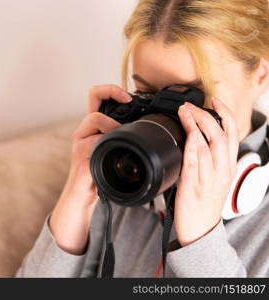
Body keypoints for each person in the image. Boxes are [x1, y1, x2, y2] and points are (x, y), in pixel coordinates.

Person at [16, 0, 269, 277]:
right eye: (149, 94)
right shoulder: (129, 168)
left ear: (260, 75)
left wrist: (201, 240)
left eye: (194, 97)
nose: (169, 117)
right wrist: (77, 195)